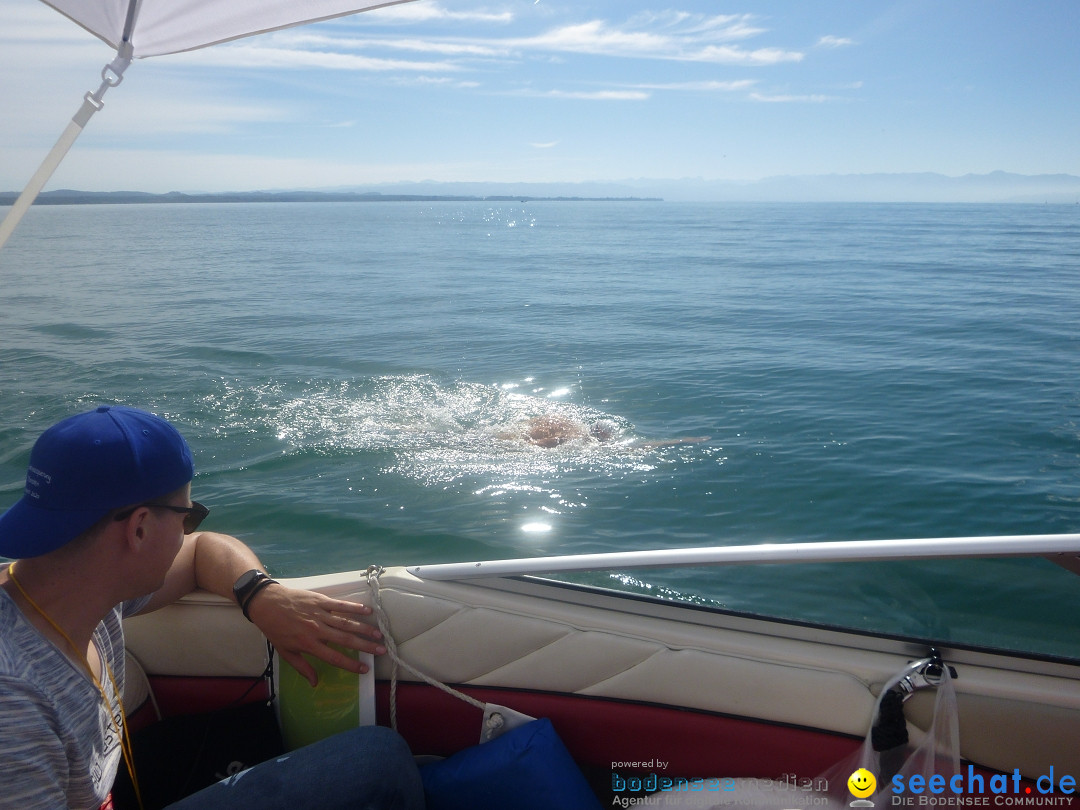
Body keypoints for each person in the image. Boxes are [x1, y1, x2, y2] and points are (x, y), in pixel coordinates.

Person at [0, 405, 424, 810]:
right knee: (376, 764)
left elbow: (204, 551)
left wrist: (261, 595)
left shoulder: (76, 582)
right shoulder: (15, 706)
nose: (190, 531)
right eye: (188, 515)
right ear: (140, 529)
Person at [502, 413, 709, 449]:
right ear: (601, 435)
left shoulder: (572, 425)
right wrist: (680, 441)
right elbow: (641, 446)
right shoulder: (574, 438)